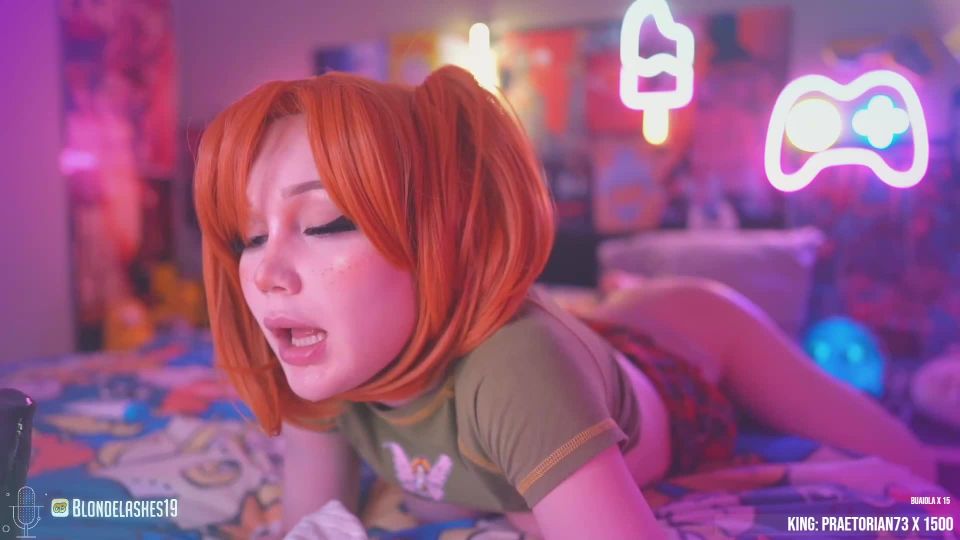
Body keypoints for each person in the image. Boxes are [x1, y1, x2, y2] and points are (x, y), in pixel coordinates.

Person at [192, 65, 939, 539]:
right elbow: (313, 524)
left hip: (685, 336)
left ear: (442, 236)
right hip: (595, 339)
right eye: (248, 238)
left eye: (325, 223)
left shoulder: (514, 370)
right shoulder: (317, 360)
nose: (266, 273)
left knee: (916, 469)